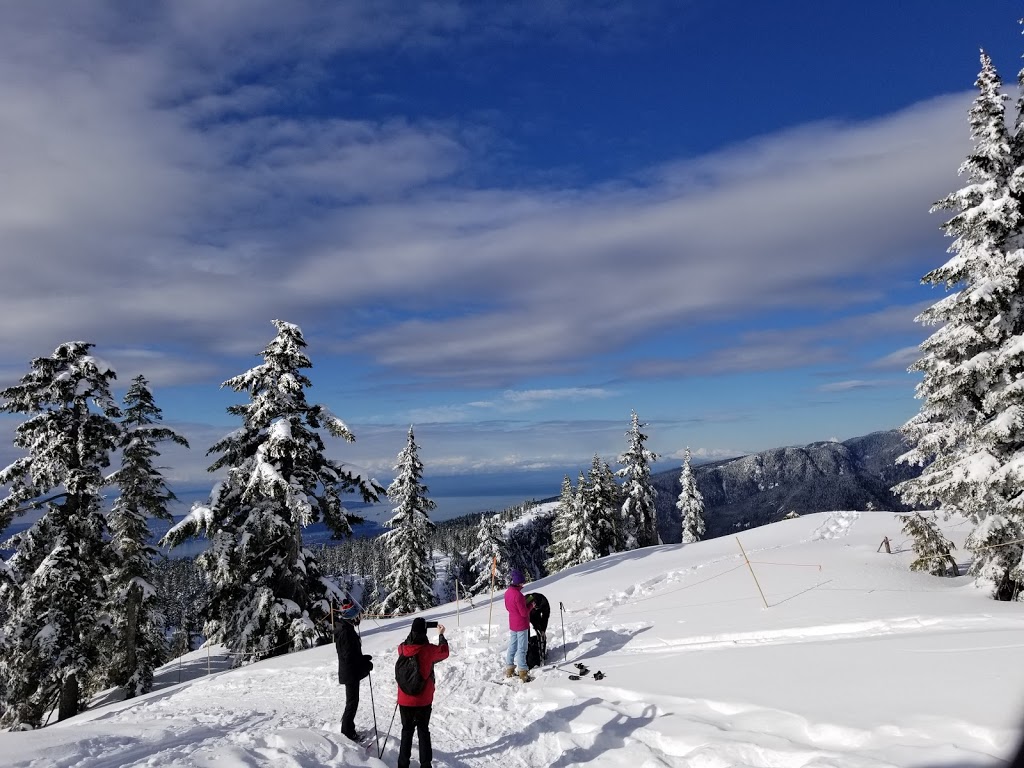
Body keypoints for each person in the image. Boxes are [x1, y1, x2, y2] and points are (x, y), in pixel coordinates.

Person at [396, 617, 449, 768]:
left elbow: (401, 646)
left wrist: (411, 635)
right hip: (423, 700)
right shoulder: (429, 650)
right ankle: (425, 765)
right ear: (424, 632)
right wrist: (441, 635)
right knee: (423, 731)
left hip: (404, 699)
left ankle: (402, 764)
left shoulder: (403, 648)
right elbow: (444, 652)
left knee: (406, 731)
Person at [334, 598, 373, 742]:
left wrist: (363, 659)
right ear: (352, 617)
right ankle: (347, 733)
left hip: (349, 671)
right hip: (349, 672)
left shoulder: (346, 629)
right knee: (352, 702)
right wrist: (363, 663)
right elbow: (349, 656)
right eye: (357, 617)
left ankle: (348, 729)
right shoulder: (346, 632)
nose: (359, 620)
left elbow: (351, 653)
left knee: (352, 701)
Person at [504, 568, 531, 682]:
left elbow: (507, 608)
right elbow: (524, 613)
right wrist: (531, 605)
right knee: (522, 648)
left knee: (513, 646)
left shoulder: (507, 593)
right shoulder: (518, 595)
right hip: (521, 624)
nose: (523, 584)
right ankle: (522, 671)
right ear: (519, 582)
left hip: (513, 623)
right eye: (522, 582)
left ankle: (509, 668)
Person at [525, 592, 550, 662]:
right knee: (526, 634)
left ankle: (541, 651)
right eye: (535, 606)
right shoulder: (529, 598)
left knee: (540, 631)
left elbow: (545, 616)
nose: (536, 608)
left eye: (537, 607)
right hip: (525, 614)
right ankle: (528, 654)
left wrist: (543, 629)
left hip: (536, 615)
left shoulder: (544, 602)